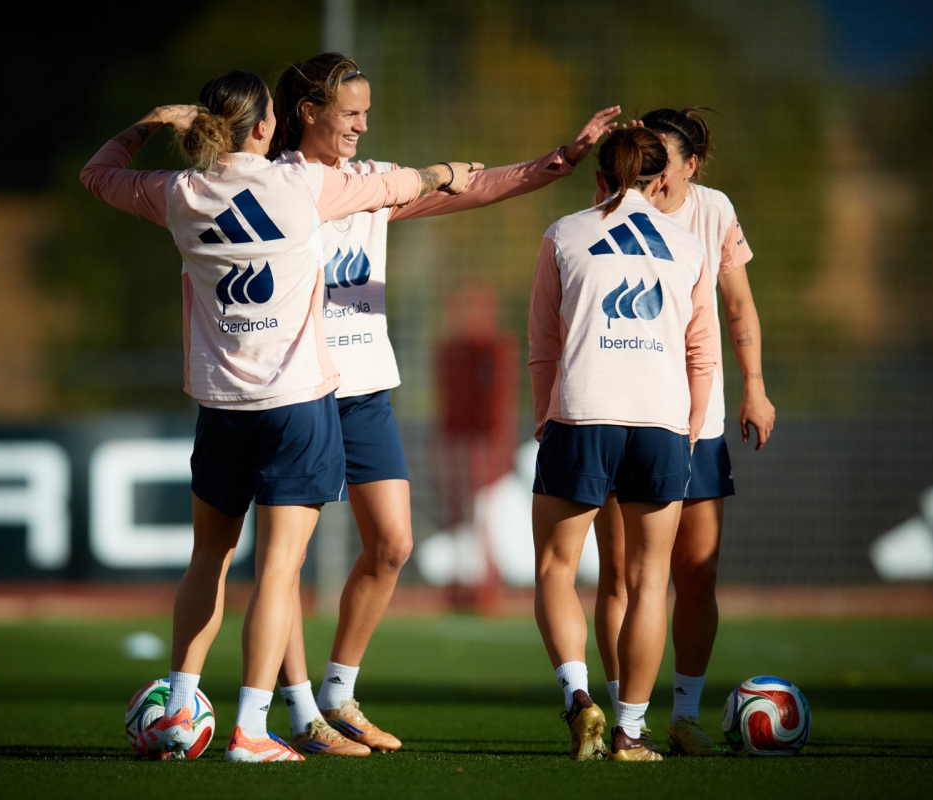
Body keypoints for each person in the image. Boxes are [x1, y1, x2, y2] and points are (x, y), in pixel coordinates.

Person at [80, 68, 478, 763]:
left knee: (209, 556)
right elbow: (398, 185)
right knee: (279, 572)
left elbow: (98, 172)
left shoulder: (178, 194)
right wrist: (444, 171)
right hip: (296, 406)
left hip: (222, 410)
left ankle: (178, 709)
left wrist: (149, 122)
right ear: (266, 127)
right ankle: (252, 730)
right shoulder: (302, 187)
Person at [263, 52, 625, 757]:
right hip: (294, 387)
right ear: (307, 112)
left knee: (393, 544)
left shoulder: (374, 181)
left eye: (367, 112)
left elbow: (472, 188)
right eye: (351, 113)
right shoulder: (273, 185)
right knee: (288, 563)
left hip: (365, 386)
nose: (363, 126)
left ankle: (338, 696)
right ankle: (299, 713)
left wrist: (560, 160)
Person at [591, 108, 776, 757]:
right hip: (624, 415)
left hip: (700, 424)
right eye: (644, 159)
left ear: (691, 165)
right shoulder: (609, 210)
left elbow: (738, 303)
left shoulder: (714, 212)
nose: (652, 173)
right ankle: (623, 720)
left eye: (663, 161)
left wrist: (753, 383)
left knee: (696, 574)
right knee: (621, 576)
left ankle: (686, 716)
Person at [528, 127, 716, 761]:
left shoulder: (563, 233)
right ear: (663, 180)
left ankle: (580, 700)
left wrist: (542, 418)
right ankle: (632, 733)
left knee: (557, 570)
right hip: (660, 424)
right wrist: (688, 429)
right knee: (648, 580)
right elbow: (702, 353)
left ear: (600, 177)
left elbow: (542, 347)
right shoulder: (690, 245)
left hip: (580, 416)